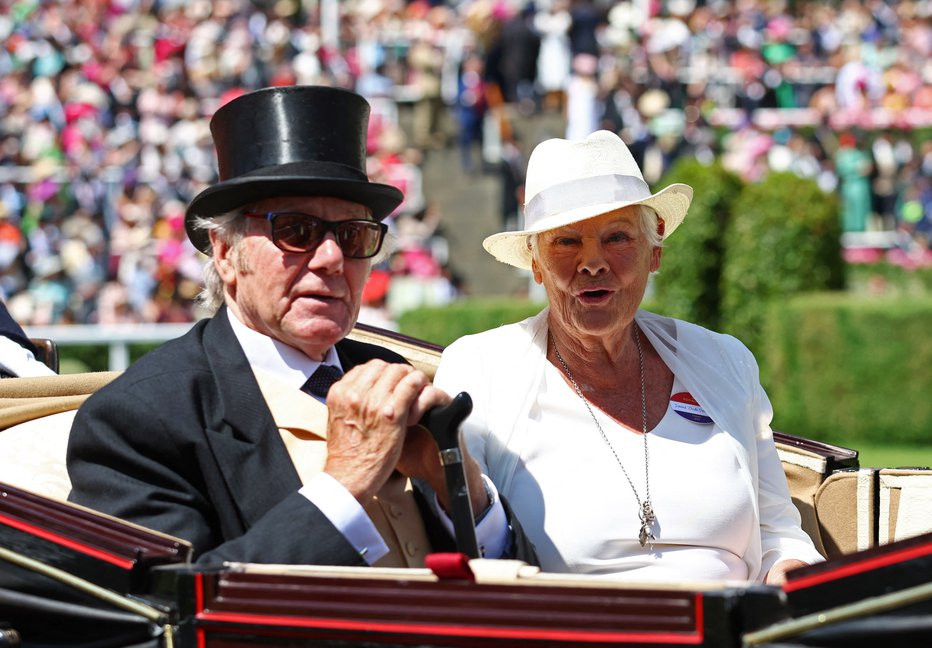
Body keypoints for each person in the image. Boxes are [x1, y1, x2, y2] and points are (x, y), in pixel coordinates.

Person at [67, 86, 534, 568]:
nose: (333, 258)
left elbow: (504, 570)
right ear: (226, 252)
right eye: (296, 231)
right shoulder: (143, 417)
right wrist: (346, 483)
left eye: (353, 235)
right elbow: (170, 613)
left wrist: (458, 483)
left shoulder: (392, 376)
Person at [433, 130, 824, 584]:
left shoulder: (725, 361)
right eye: (566, 242)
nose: (593, 263)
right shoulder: (482, 369)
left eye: (617, 237)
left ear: (653, 250)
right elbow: (460, 539)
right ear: (535, 263)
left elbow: (778, 534)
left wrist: (788, 576)